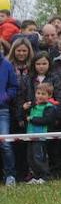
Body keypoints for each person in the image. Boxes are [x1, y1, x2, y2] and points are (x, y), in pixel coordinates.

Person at [25, 81, 59, 184]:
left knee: (39, 157)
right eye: (38, 93)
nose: (40, 96)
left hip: (41, 136)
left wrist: (32, 119)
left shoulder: (50, 107)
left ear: (49, 95)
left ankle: (45, 176)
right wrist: (25, 109)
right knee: (30, 157)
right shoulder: (33, 105)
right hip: (31, 135)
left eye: (43, 94)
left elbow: (47, 120)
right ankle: (36, 176)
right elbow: (25, 116)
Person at [0, 48, 18, 186]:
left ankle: (10, 176)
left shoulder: (7, 65)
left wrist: (4, 97)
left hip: (2, 110)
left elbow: (13, 87)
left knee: (5, 144)